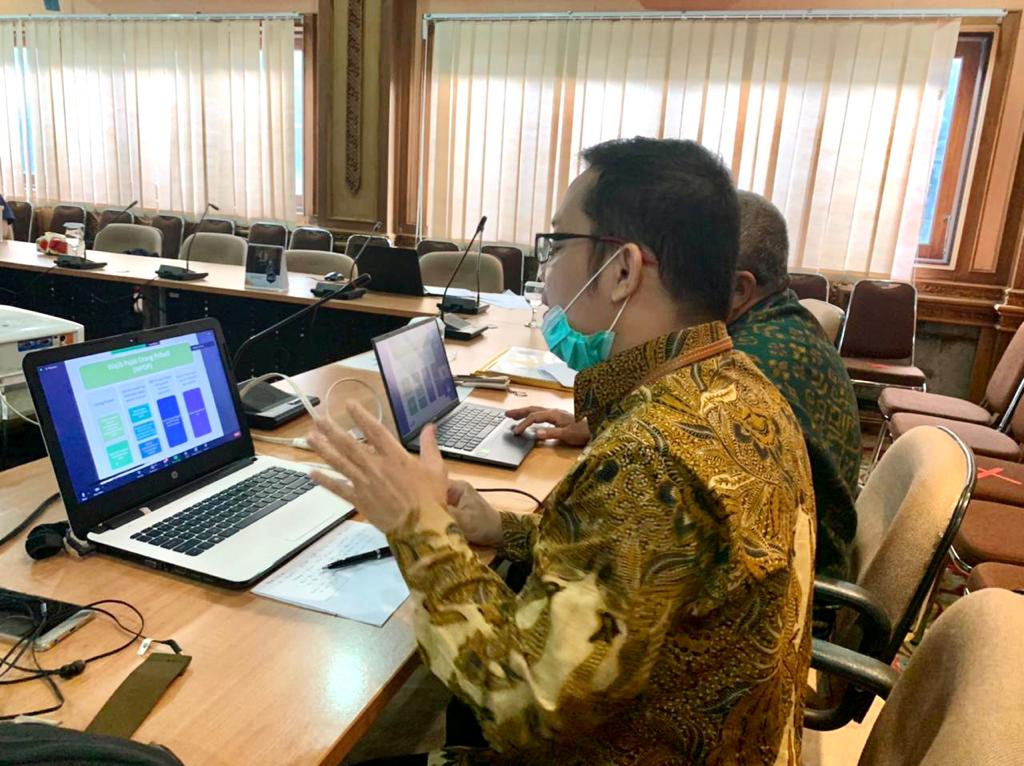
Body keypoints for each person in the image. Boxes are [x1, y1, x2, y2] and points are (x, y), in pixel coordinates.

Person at [309, 138, 815, 765]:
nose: (545, 274)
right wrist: (502, 529)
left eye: (558, 245)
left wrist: (418, 527)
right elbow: (633, 570)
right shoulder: (741, 389)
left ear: (623, 271)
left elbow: (522, 704)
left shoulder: (650, 458)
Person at [513, 191, 860, 581]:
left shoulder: (742, 371)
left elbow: (604, 569)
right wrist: (602, 425)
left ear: (738, 290)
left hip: (802, 580)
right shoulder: (777, 329)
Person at [726, 191, 860, 581]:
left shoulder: (745, 371)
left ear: (739, 290)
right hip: (807, 551)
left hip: (795, 588)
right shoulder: (784, 318)